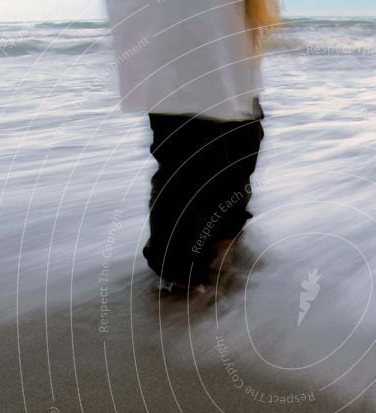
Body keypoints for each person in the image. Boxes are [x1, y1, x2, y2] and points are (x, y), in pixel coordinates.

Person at [105, 0, 279, 290]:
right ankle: (178, 274)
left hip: (232, 54)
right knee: (190, 164)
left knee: (242, 150)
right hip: (179, 56)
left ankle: (225, 239)